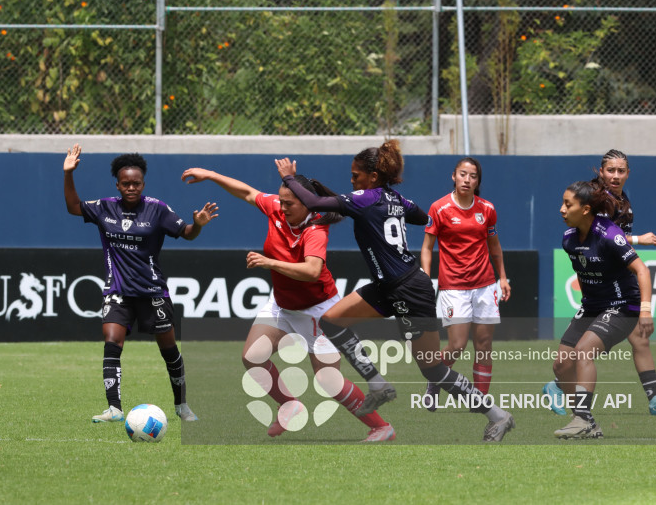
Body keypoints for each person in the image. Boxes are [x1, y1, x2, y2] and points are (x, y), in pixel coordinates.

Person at [274, 140, 515, 442]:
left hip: (410, 290)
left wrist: (288, 178)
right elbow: (422, 216)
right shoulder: (392, 197)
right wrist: (384, 206)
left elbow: (317, 204)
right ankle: (378, 385)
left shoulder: (363, 199)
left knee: (432, 369)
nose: (352, 181)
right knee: (331, 321)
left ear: (372, 177)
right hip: (388, 285)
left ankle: (498, 415)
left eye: (356, 175)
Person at [180, 167, 395, 441]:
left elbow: (312, 271)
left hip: (320, 310)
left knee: (328, 381)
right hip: (282, 304)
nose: (282, 207)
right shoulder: (276, 209)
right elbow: (246, 192)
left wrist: (269, 263)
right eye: (281, 201)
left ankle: (381, 427)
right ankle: (289, 404)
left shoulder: (315, 228)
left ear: (307, 203)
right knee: (252, 356)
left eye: (289, 203)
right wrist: (210, 175)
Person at [63, 144, 219, 423]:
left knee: (169, 350)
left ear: (143, 183)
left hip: (152, 293)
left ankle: (182, 406)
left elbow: (186, 233)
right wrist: (68, 174)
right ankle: (114, 409)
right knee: (112, 342)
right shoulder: (104, 207)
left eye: (136, 183)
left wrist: (198, 225)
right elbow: (74, 207)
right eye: (126, 183)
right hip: (118, 291)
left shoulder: (157, 210)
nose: (131, 187)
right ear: (118, 184)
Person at [543, 149, 656, 416]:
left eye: (621, 171)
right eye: (611, 170)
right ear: (601, 172)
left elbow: (614, 242)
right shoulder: (597, 200)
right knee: (576, 357)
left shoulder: (623, 201)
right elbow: (604, 236)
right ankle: (563, 391)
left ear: (628, 173)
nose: (616, 176)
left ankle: (653, 399)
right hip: (606, 286)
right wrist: (638, 239)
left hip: (618, 286)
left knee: (639, 340)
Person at [553, 180, 654, 439]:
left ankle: (582, 419)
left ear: (585, 209)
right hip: (592, 307)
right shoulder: (568, 239)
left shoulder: (609, 235)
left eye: (568, 204)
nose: (562, 210)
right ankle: (586, 422)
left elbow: (642, 270)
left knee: (583, 351)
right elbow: (586, 277)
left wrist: (645, 311)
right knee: (562, 365)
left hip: (623, 306)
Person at [420, 157, 510, 410]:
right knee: (457, 345)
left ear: (477, 181)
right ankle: (434, 379)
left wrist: (502, 277)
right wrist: (426, 277)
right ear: (454, 176)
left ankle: (479, 401)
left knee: (483, 345)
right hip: (453, 287)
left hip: (485, 285)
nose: (467, 180)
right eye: (462, 174)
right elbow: (427, 248)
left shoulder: (487, 209)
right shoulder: (439, 208)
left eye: (472, 176)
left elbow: (495, 246)